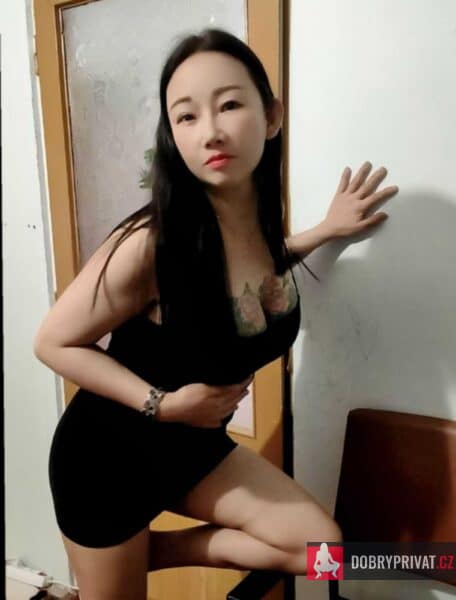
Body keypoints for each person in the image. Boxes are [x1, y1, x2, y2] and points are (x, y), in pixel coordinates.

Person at [33, 27, 398, 600]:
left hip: (192, 453)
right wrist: (164, 404)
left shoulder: (257, 225)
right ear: (172, 135)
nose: (211, 131)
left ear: (271, 116)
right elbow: (52, 342)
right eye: (186, 116)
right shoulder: (150, 244)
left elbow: (250, 278)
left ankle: (154, 551)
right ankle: (118, 551)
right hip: (106, 463)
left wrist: (327, 229)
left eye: (229, 104)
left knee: (324, 549)